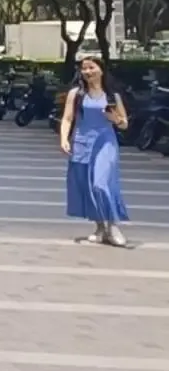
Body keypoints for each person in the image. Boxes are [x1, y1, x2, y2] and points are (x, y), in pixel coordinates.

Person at [60, 56, 130, 247]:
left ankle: (113, 227)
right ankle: (100, 228)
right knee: (88, 186)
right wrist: (64, 139)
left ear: (101, 70)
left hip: (106, 143)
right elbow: (67, 118)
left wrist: (115, 119)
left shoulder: (112, 96)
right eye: (84, 68)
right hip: (82, 143)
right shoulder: (76, 94)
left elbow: (124, 124)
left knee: (101, 184)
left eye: (91, 67)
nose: (87, 72)